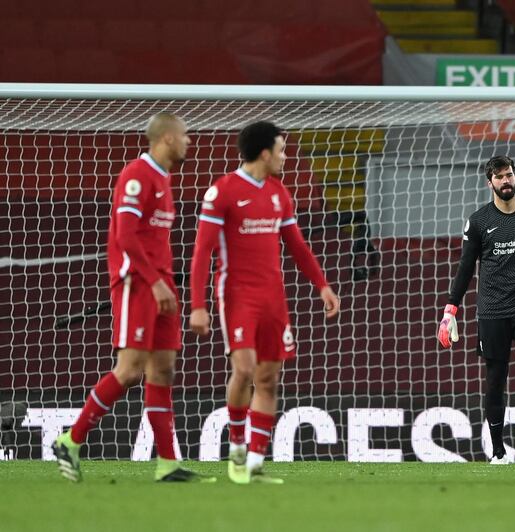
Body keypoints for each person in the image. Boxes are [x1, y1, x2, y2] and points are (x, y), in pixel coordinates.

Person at [52, 113, 213, 483]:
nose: (190, 142)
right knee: (129, 369)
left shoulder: (164, 179)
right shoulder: (136, 175)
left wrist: (165, 283)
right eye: (185, 136)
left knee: (163, 370)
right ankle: (70, 441)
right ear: (168, 138)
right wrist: (154, 282)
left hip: (162, 284)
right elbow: (125, 236)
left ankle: (168, 464)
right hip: (137, 284)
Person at [189, 121, 340, 484]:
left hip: (274, 299)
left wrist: (322, 285)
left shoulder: (278, 193)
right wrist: (197, 305)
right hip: (237, 296)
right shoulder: (222, 192)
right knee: (244, 369)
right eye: (282, 150)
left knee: (268, 379)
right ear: (264, 153)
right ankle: (237, 453)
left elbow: (297, 245)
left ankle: (255, 464)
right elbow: (201, 252)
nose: (286, 157)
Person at [437, 155, 515, 465]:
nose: (505, 181)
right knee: (495, 378)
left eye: (509, 175)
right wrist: (450, 310)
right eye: (499, 177)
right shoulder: (479, 221)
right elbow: (466, 267)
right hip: (492, 311)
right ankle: (498, 452)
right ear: (489, 182)